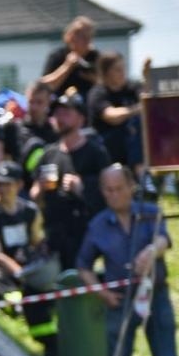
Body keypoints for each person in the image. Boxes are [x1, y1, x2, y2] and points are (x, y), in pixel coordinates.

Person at [77, 165, 179, 356]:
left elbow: (164, 238)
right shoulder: (98, 224)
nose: (114, 195)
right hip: (119, 301)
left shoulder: (149, 212)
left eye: (119, 189)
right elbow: (83, 265)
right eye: (108, 190)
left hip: (155, 296)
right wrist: (100, 292)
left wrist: (152, 251)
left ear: (131, 186)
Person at [0, 160, 59, 356]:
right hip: (1, 269)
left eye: (7, 184)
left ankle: (52, 347)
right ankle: (14, 305)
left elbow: (37, 241)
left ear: (19, 185)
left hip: (28, 266)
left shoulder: (30, 211)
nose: (2, 189)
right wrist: (17, 270)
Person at [30, 88, 111, 270]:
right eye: (57, 113)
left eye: (66, 113)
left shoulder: (95, 153)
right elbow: (34, 196)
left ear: (81, 119)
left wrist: (82, 188)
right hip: (54, 234)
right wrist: (41, 188)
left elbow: (110, 194)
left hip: (85, 235)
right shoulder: (49, 154)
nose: (60, 118)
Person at [87, 53, 144, 173]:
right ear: (106, 72)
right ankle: (141, 174)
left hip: (131, 145)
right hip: (108, 145)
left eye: (124, 68)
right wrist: (137, 109)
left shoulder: (131, 88)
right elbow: (112, 116)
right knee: (132, 125)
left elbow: (147, 100)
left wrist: (147, 77)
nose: (123, 73)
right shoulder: (97, 93)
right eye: (118, 70)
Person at [3, 81, 58, 188]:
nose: (34, 107)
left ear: (48, 102)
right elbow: (7, 163)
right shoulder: (13, 129)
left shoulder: (55, 132)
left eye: (39, 102)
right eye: (31, 102)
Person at [39, 17, 100, 101]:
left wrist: (93, 78)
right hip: (60, 105)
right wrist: (67, 66)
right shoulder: (57, 55)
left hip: (88, 105)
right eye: (77, 33)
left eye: (86, 36)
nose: (78, 39)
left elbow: (108, 86)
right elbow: (43, 85)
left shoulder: (95, 57)